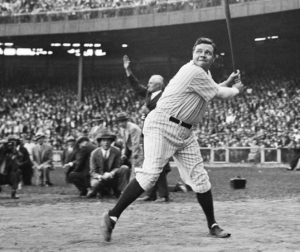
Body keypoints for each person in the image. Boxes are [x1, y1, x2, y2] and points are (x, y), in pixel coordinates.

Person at [100, 37, 244, 242]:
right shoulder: (193, 70)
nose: (202, 54)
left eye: (208, 52)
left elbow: (211, 89)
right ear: (192, 53)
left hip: (185, 132)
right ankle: (112, 216)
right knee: (149, 175)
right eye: (199, 51)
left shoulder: (205, 74)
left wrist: (227, 82)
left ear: (213, 57)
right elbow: (219, 94)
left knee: (200, 180)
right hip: (162, 125)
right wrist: (237, 89)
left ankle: (213, 224)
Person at [123, 55, 170, 202]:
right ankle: (151, 194)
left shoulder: (165, 97)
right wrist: (128, 70)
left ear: (158, 85)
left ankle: (163, 195)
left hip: (159, 134)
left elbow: (165, 116)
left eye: (151, 83)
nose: (148, 85)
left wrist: (148, 112)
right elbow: (136, 87)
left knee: (158, 164)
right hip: (148, 133)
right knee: (149, 164)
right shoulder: (149, 94)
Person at [88, 128, 130, 199]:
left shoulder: (116, 151)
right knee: (95, 184)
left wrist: (111, 173)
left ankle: (120, 192)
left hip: (112, 177)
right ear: (100, 142)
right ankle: (98, 191)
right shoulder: (94, 153)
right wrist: (100, 177)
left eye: (108, 140)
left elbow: (118, 166)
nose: (106, 143)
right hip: (100, 178)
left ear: (111, 142)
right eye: (104, 140)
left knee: (125, 168)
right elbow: (92, 172)